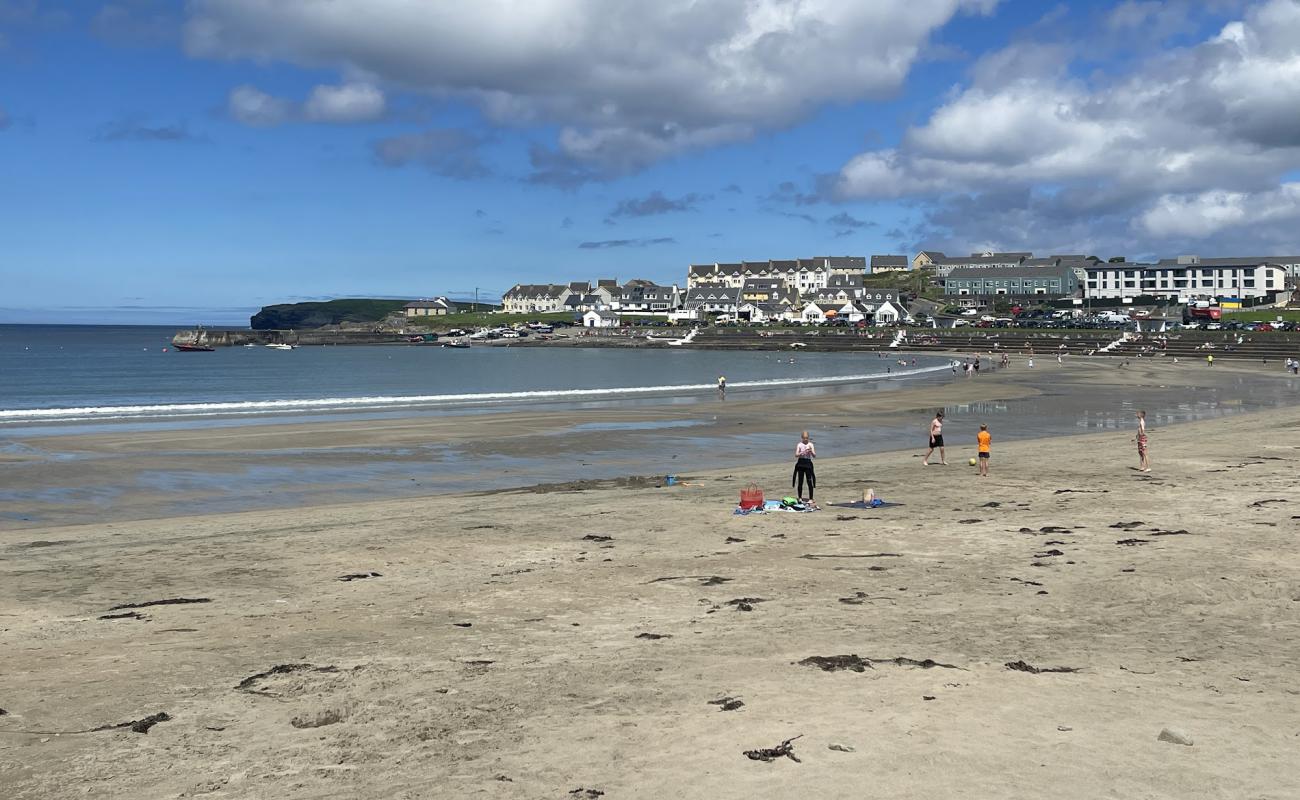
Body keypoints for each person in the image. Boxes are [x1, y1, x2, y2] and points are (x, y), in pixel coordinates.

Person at [793, 430, 817, 503]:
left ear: (808, 438)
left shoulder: (811, 444)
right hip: (801, 463)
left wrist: (810, 451)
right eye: (804, 438)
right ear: (802, 438)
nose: (805, 439)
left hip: (808, 463)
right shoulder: (799, 444)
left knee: (809, 481)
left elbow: (814, 455)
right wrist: (802, 453)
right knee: (800, 481)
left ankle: (811, 498)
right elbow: (796, 455)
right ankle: (800, 497)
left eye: (806, 438)